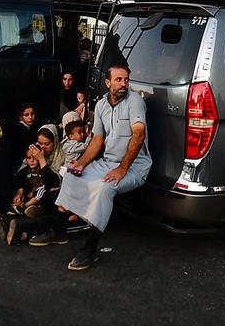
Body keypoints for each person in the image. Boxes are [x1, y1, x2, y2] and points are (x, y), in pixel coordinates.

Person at [53, 64, 152, 270]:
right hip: (108, 162)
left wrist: (123, 168)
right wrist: (80, 163)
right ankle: (59, 231)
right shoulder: (101, 106)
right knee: (71, 175)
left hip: (134, 166)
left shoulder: (135, 102)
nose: (124, 84)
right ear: (108, 83)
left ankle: (90, 249)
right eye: (118, 80)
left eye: (126, 79)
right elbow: (97, 140)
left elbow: (139, 134)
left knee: (105, 188)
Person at [0, 102, 38, 173]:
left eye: (32, 114)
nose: (30, 117)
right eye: (26, 115)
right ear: (20, 117)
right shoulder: (18, 130)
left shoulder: (31, 129)